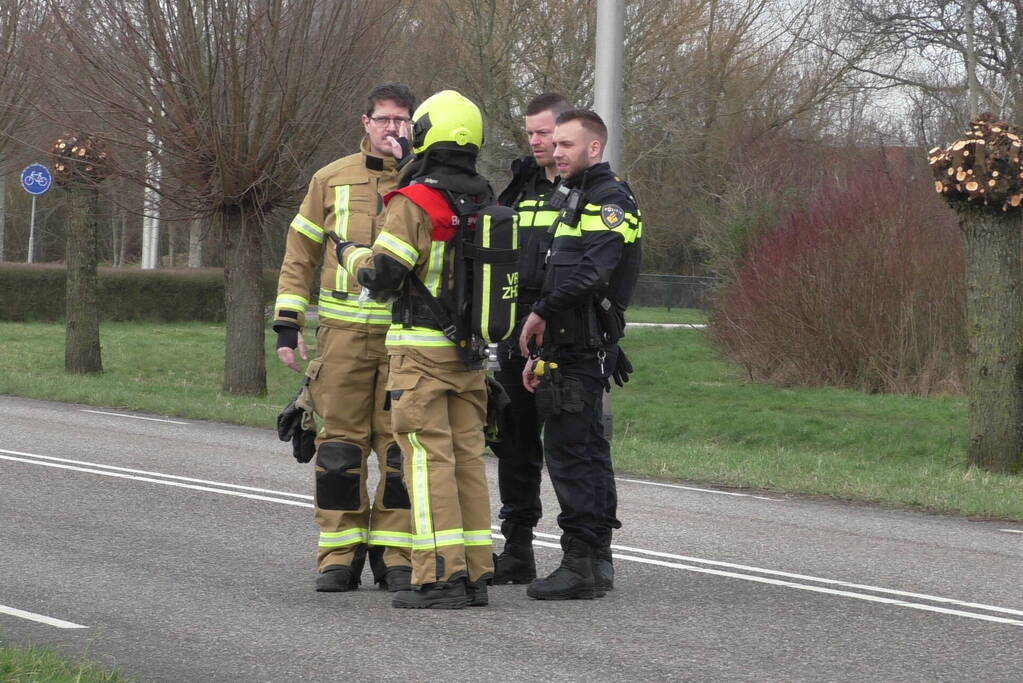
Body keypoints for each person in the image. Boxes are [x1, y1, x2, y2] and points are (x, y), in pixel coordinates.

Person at [334, 89, 497, 609]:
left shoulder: (416, 202)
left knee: (427, 464)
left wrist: (350, 253)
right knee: (468, 461)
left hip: (419, 356)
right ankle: (474, 575)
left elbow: (382, 277)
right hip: (470, 355)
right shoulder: (486, 198)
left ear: (426, 132)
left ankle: (438, 578)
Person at [272, 83, 416, 593]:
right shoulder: (330, 180)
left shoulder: (423, 181)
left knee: (400, 450)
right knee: (339, 450)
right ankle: (338, 554)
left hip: (406, 339)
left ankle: (395, 553)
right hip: (342, 338)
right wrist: (287, 323)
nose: (392, 129)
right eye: (383, 119)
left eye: (401, 120)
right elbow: (299, 255)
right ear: (365, 121)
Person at [519, 109, 642, 601]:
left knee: (573, 456)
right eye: (556, 142)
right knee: (584, 451)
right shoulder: (574, 197)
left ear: (594, 148)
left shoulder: (611, 200)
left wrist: (540, 313)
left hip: (584, 350)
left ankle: (580, 564)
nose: (556, 150)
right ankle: (595, 562)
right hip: (566, 347)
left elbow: (592, 274)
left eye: (567, 144)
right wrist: (541, 346)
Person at [490, 93, 572, 585]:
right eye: (532, 133)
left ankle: (581, 555)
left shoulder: (590, 190)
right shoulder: (518, 188)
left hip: (564, 337)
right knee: (514, 445)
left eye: (545, 132)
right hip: (514, 335)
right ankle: (517, 550)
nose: (538, 142)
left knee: (567, 448)